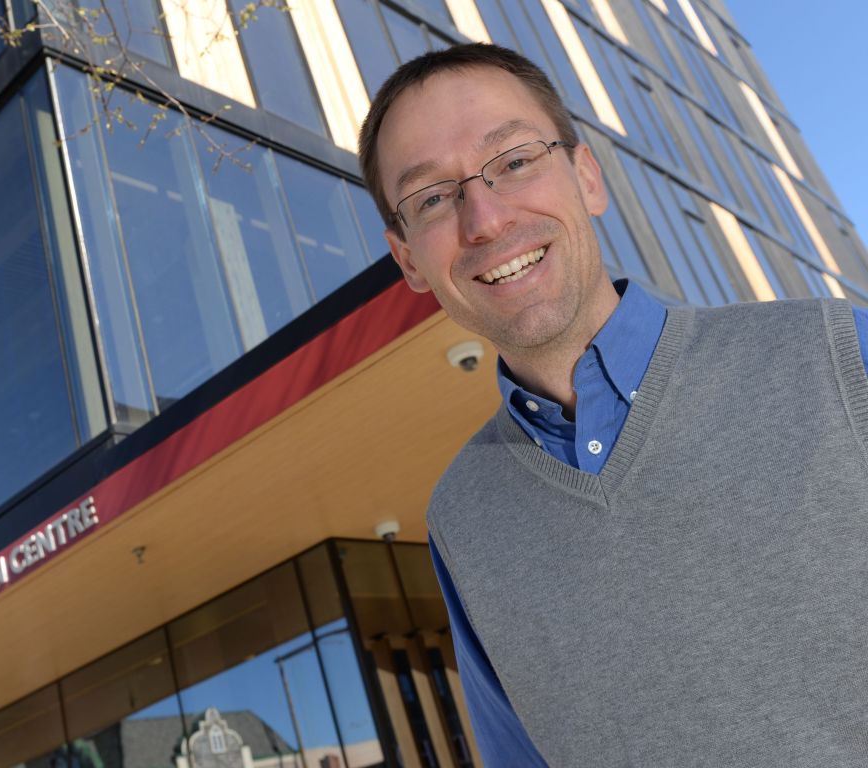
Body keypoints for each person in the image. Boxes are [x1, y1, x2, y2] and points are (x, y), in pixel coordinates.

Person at [358, 42, 868, 766]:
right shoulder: (462, 517)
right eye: (433, 198)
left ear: (588, 176)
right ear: (408, 258)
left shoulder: (834, 354)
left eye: (514, 162)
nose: (485, 218)